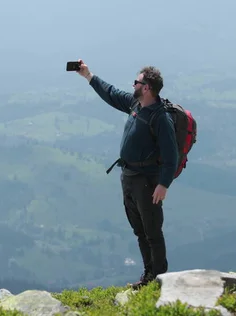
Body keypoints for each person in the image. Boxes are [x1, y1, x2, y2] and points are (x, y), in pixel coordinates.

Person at [74, 59, 179, 289]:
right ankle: (149, 276)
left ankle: (159, 280)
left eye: (137, 82)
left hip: (147, 182)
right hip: (129, 177)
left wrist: (163, 184)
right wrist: (88, 76)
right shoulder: (136, 104)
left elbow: (172, 156)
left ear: (147, 87)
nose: (133, 85)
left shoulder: (160, 117)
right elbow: (111, 93)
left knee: (152, 231)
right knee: (140, 230)